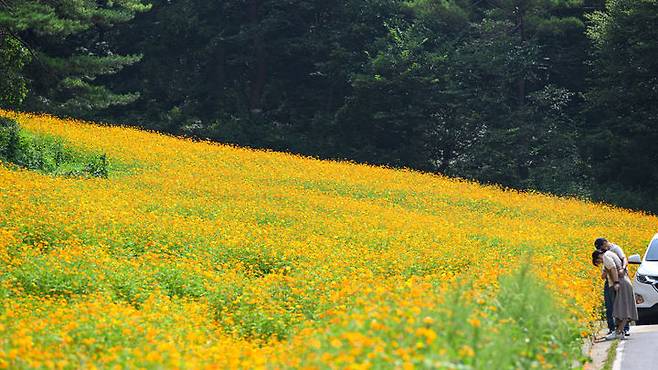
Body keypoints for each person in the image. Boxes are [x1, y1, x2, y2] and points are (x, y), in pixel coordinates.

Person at [592, 248, 638, 340]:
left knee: (623, 309)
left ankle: (618, 332)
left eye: (599, 261)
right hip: (624, 281)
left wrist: (616, 282)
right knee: (620, 308)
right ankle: (619, 332)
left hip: (621, 283)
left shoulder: (605, 257)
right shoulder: (610, 254)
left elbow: (613, 268)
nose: (601, 262)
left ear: (598, 257)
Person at [594, 238, 630, 335]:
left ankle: (623, 329)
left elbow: (624, 259)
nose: (601, 249)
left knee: (620, 304)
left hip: (619, 279)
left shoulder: (615, 249)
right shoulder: (605, 254)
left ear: (605, 243)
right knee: (609, 305)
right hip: (610, 280)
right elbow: (606, 268)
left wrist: (623, 269)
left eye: (601, 247)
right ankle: (613, 329)